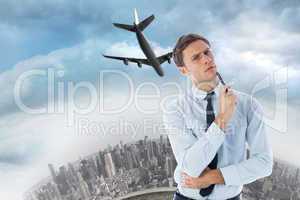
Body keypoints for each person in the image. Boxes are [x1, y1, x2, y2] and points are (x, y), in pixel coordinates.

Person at [163, 33, 273, 200]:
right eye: (196, 57)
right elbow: (191, 167)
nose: (206, 59)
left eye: (207, 52)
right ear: (183, 70)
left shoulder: (247, 104)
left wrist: (214, 177)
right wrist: (223, 118)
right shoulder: (175, 109)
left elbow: (264, 164)